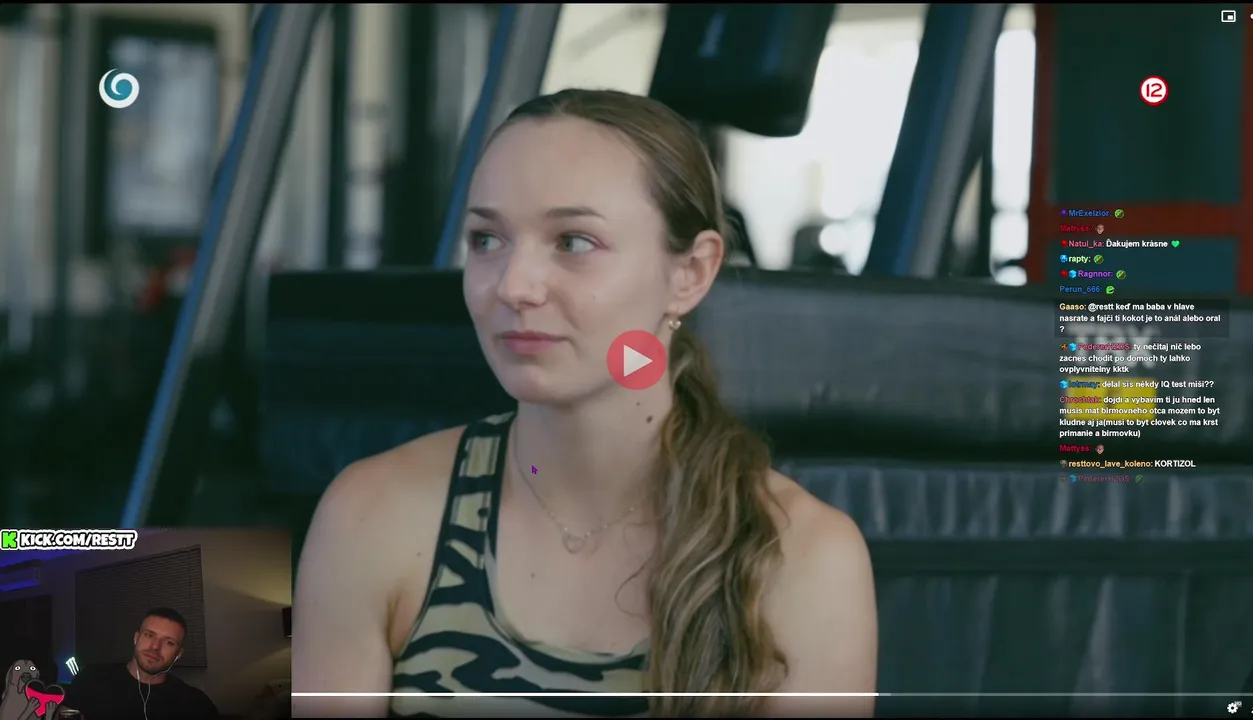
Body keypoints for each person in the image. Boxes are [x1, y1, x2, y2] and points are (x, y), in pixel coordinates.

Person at [293, 88, 878, 718]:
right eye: (487, 240)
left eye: (573, 242)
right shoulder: (370, 515)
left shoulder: (805, 559)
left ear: (690, 273)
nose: (514, 286)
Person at [62, 608, 219, 720]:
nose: (155, 647)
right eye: (149, 635)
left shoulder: (196, 704)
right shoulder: (91, 679)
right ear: (136, 638)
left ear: (178, 654)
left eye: (169, 642)